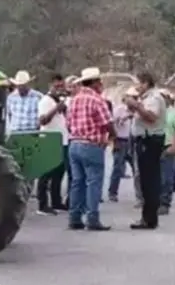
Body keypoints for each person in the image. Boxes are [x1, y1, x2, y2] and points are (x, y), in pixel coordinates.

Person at [65, 67, 113, 231]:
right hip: (91, 144)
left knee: (77, 182)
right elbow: (107, 122)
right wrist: (112, 138)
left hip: (74, 144)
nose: (101, 84)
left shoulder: (74, 100)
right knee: (94, 181)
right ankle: (92, 218)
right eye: (99, 81)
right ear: (94, 83)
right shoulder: (97, 100)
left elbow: (68, 124)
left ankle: (74, 217)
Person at [126, 72, 166, 230]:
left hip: (149, 140)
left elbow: (151, 117)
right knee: (146, 180)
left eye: (139, 83)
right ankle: (148, 216)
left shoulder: (154, 98)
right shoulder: (146, 98)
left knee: (149, 181)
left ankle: (149, 218)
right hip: (145, 140)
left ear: (146, 83)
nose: (137, 87)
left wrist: (136, 106)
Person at [36, 74, 70, 215]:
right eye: (56, 86)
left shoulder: (61, 100)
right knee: (46, 173)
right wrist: (56, 108)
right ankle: (42, 204)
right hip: (49, 140)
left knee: (59, 173)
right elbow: (43, 121)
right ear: (50, 85)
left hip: (62, 140)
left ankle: (56, 201)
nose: (59, 89)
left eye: (61, 86)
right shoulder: (45, 101)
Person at [159, 92, 175, 215]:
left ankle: (165, 203)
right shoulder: (157, 112)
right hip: (155, 146)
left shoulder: (173, 113)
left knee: (166, 177)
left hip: (168, 146)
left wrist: (174, 146)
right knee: (155, 177)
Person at [107, 96, 134, 203]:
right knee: (117, 167)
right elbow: (114, 123)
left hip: (132, 140)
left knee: (137, 168)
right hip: (120, 140)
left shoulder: (137, 109)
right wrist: (126, 118)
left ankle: (141, 194)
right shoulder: (119, 109)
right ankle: (112, 192)